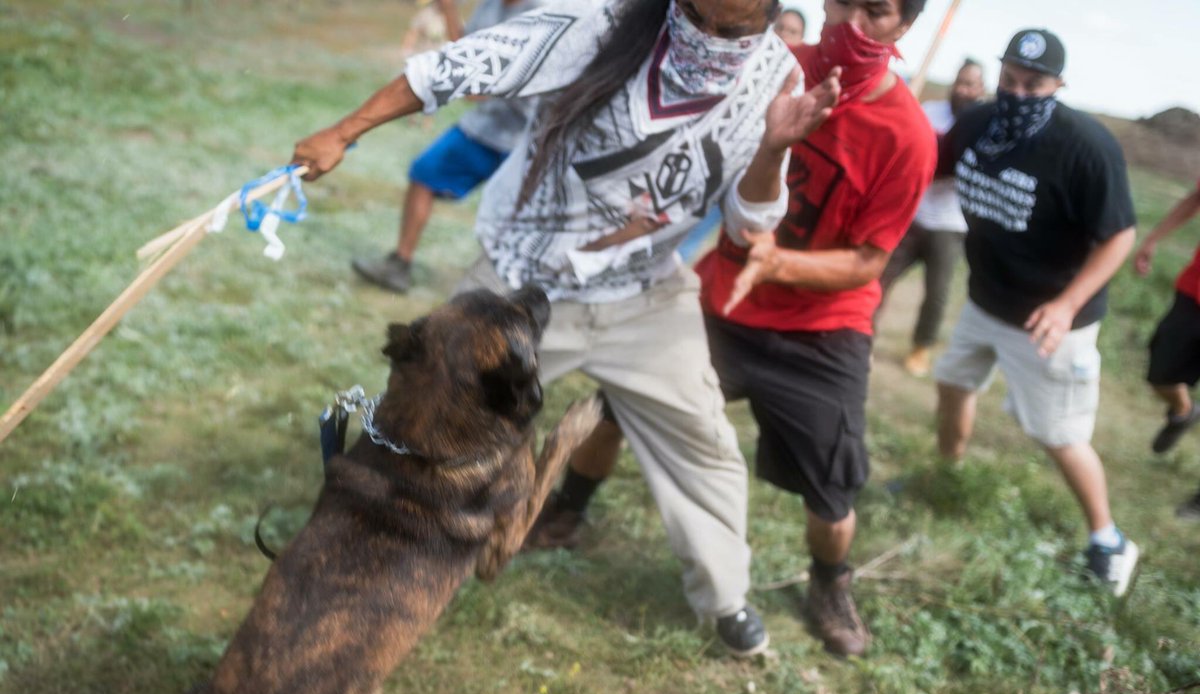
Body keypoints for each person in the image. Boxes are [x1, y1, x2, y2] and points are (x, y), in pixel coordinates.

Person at [293, 0, 842, 657]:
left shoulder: (774, 77)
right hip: (521, 283)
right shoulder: (601, 21)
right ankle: (352, 553)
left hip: (641, 294)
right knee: (425, 427)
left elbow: (749, 219)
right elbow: (460, 63)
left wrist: (775, 147)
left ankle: (726, 598)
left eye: (736, 26)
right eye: (703, 16)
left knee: (704, 442)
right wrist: (344, 131)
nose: (715, 34)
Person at [532, 0, 935, 659]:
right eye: (850, 3)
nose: (858, 24)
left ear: (905, 26)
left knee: (831, 486)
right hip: (724, 302)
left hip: (822, 331)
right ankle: (566, 510)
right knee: (615, 407)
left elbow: (871, 260)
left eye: (880, 11)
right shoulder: (772, 70)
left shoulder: (907, 136)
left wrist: (779, 261)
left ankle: (829, 582)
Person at [934, 30, 1139, 596]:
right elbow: (932, 170)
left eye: (1034, 84)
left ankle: (1108, 539)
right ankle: (946, 474)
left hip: (1051, 319)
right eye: (1010, 80)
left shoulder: (1085, 147)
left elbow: (1118, 235)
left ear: (1058, 85)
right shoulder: (978, 124)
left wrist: (1066, 302)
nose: (1019, 93)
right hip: (986, 300)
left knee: (1058, 433)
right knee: (952, 383)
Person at [353, 0, 545, 293]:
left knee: (516, 219)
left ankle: (511, 292)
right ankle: (399, 265)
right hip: (486, 126)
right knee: (424, 174)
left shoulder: (546, 10)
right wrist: (450, 12)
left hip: (531, 139)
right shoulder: (491, 6)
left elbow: (475, 84)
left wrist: (471, 83)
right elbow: (465, 52)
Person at [674, 5, 806, 265]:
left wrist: (772, 149)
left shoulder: (790, 78)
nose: (785, 35)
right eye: (782, 28)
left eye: (793, 32)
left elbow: (750, 222)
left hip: (729, 179)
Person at [877, 58, 985, 376]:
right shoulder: (929, 112)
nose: (963, 90)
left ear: (981, 89)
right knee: (880, 276)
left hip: (949, 225)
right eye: (960, 82)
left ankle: (920, 348)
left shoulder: (981, 125)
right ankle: (862, 334)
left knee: (936, 294)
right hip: (913, 214)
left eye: (971, 84)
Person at [1132, 181, 1200, 516]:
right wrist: (1154, 239)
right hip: (1194, 293)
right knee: (1161, 373)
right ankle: (1185, 411)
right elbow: (1195, 198)